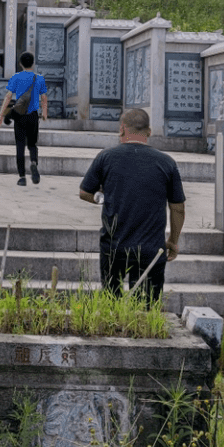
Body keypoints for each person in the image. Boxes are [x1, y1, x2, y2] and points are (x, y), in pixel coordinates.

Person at [78, 109, 185, 302]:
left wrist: (102, 198)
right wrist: (173, 241)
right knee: (146, 308)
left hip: (113, 247)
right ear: (149, 132)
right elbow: (178, 208)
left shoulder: (106, 158)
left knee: (111, 303)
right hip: (151, 249)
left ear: (121, 130)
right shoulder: (167, 163)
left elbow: (85, 193)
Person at [0, 51, 48, 186]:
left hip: (19, 116)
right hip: (33, 116)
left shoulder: (16, 77)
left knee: (20, 145)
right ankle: (34, 162)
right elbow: (44, 98)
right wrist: (45, 113)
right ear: (33, 63)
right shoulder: (39, 78)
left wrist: (1, 114)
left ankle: (22, 177)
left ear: (20, 64)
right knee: (32, 144)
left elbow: (8, 96)